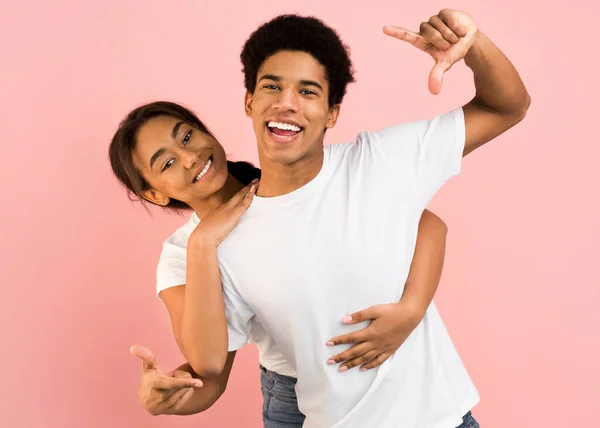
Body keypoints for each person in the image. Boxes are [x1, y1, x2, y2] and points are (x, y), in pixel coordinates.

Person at [203, 9, 527, 427]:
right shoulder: (225, 238)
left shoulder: (382, 161)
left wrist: (474, 46)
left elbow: (507, 107)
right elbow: (212, 365)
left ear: (332, 114)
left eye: (308, 92)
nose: (286, 103)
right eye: (272, 86)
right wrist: (173, 390)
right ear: (250, 102)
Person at [110, 101, 449, 425]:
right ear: (155, 194)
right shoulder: (180, 256)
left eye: (186, 137)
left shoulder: (289, 182)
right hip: (297, 396)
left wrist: (410, 311)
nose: (189, 158)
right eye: (166, 163)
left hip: (394, 369)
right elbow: (209, 372)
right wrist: (203, 244)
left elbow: (427, 225)